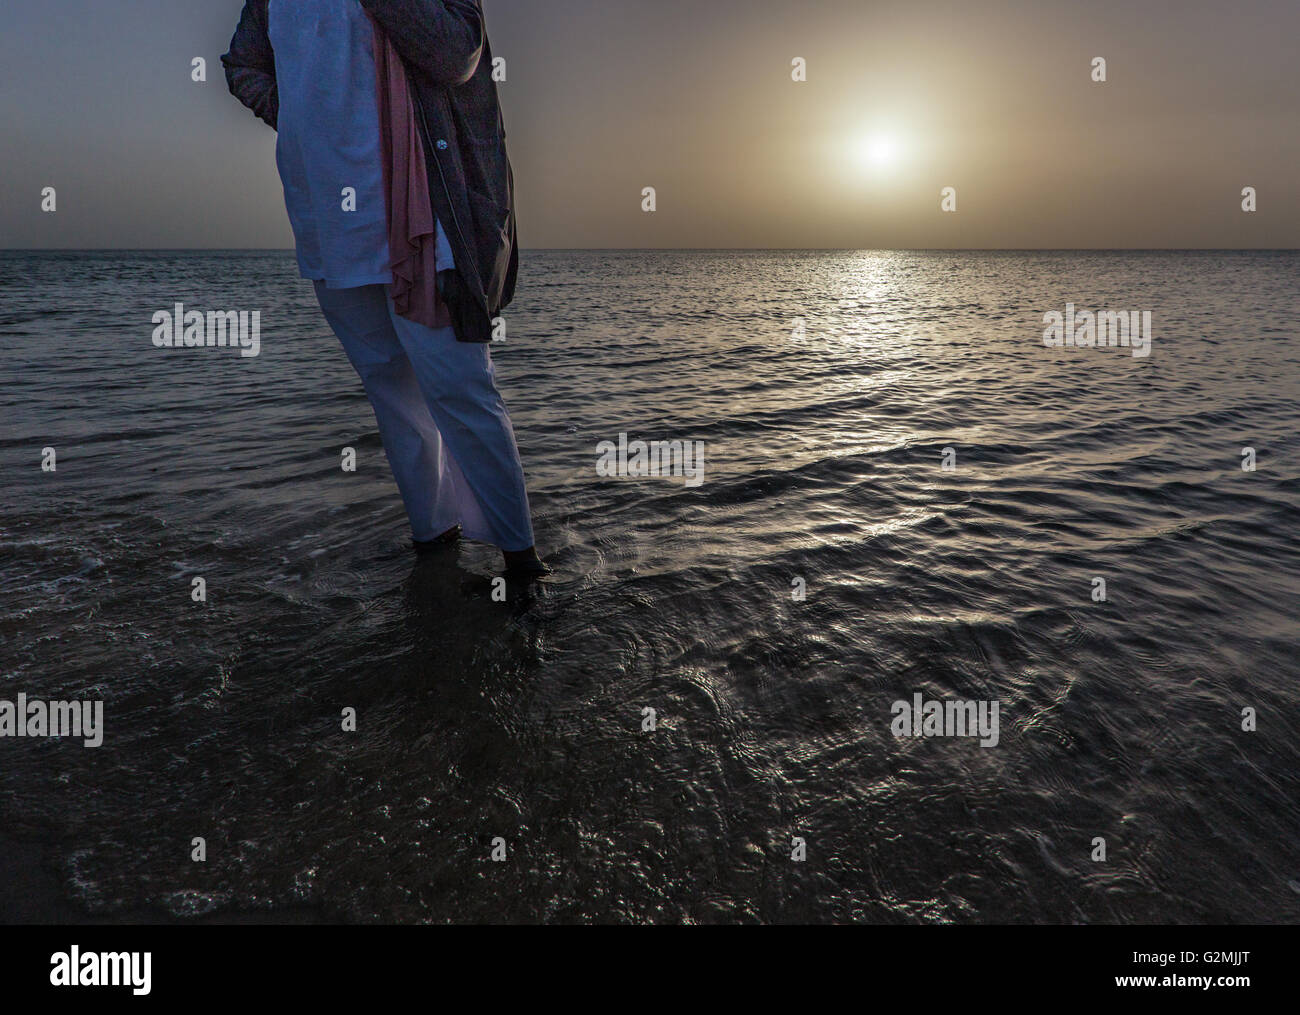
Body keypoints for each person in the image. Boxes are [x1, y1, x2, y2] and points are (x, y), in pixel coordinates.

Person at [221, 0, 548, 576]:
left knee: (459, 385)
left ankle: (521, 564)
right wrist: (300, 115)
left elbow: (456, 53)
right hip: (328, 214)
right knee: (391, 388)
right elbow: (243, 65)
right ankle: (434, 544)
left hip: (422, 207)